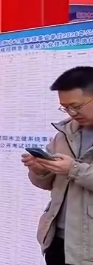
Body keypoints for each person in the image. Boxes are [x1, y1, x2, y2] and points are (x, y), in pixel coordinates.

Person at [23, 66, 93, 265]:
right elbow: (48, 184)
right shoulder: (65, 132)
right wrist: (40, 171)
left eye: (76, 106)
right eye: (65, 107)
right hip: (58, 240)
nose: (72, 113)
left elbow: (72, 170)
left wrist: (74, 169)